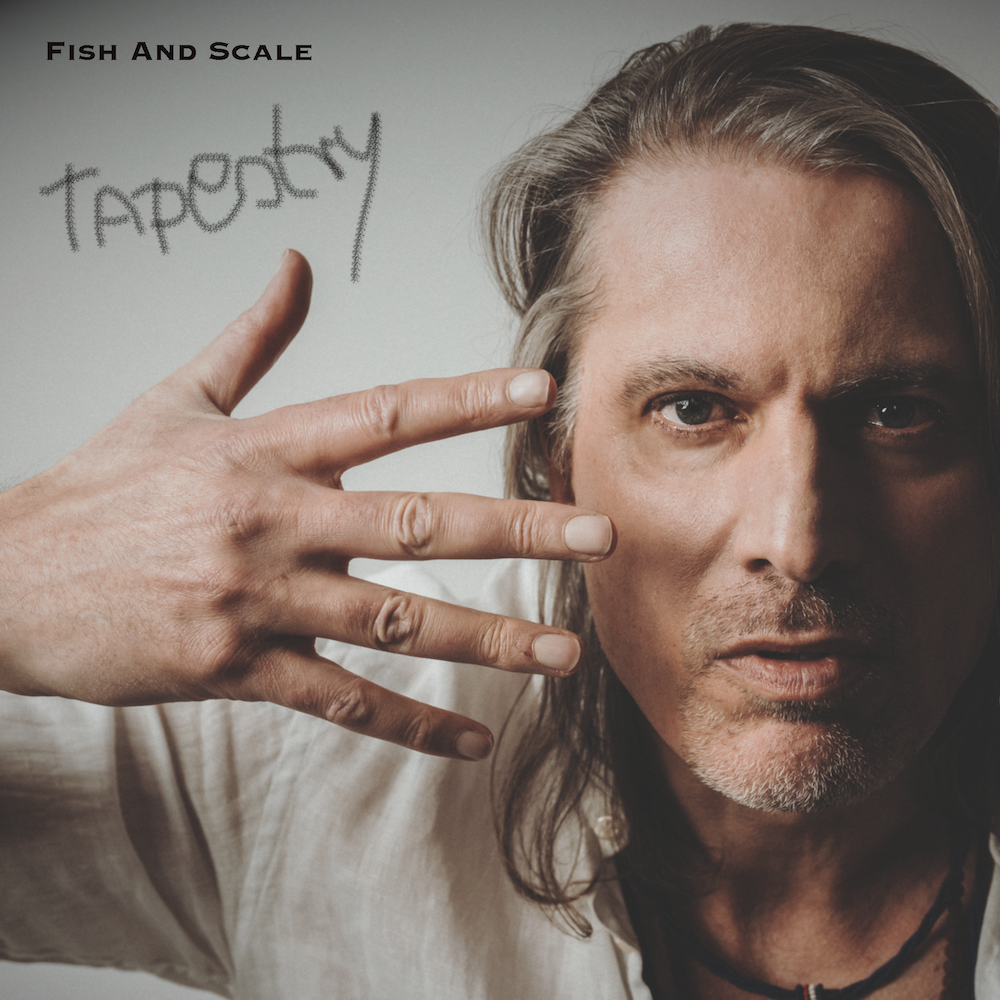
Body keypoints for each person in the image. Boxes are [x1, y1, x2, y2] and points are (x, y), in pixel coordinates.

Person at [1, 22, 998, 1000]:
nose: (799, 540)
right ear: (555, 464)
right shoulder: (321, 742)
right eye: (693, 410)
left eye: (897, 413)